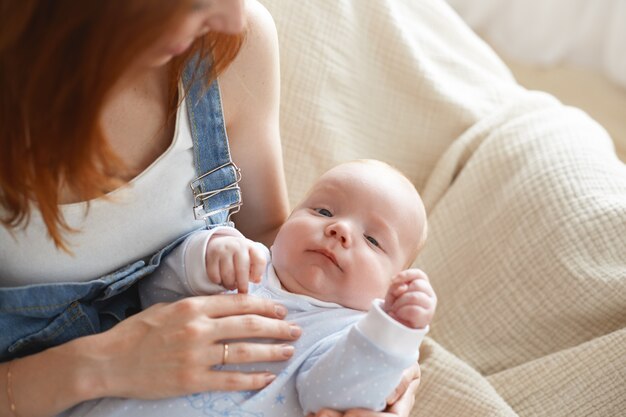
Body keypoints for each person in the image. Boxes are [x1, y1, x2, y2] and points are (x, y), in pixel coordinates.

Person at [0, 2, 420, 417]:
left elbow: (268, 237)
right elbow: (196, 271)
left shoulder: (235, 41)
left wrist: (388, 355)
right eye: (324, 212)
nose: (233, 18)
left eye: (373, 239)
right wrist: (103, 364)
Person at [61, 160, 435, 416]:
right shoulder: (249, 263)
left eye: (372, 240)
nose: (340, 229)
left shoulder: (348, 334)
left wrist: (393, 334)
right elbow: (155, 295)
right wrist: (206, 254)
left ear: (391, 285)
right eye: (323, 211)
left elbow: (332, 399)